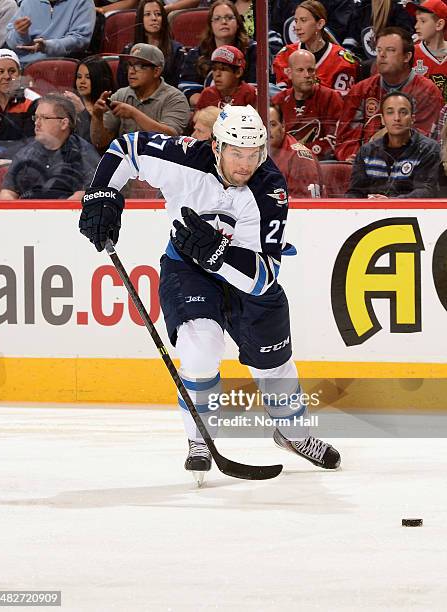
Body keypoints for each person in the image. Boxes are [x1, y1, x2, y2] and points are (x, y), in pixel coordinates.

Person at [78, 104, 341, 482]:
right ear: (216, 146)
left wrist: (218, 253)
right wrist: (102, 193)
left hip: (247, 280)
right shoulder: (183, 156)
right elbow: (127, 148)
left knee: (273, 365)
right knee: (200, 349)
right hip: (187, 271)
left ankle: (294, 434)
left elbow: (265, 274)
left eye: (254, 154)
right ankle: (200, 439)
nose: (244, 164)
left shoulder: (270, 190)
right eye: (236, 152)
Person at [336, 27, 444, 161]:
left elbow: (424, 142)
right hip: (363, 167)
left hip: (410, 170)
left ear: (407, 56)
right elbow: (346, 138)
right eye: (379, 50)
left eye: (390, 50)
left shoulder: (428, 92)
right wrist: (354, 157)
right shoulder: (360, 90)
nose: (381, 55)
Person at [90, 43, 191, 151]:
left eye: (140, 66)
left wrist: (134, 114)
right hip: (127, 161)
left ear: (157, 71)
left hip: (161, 162)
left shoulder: (175, 98)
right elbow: (99, 142)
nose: (131, 71)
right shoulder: (121, 95)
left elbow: (170, 138)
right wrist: (97, 117)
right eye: (129, 64)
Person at [0, 93, 100, 200]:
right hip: (27, 213)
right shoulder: (26, 153)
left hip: (65, 214)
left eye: (44, 118)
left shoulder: (83, 154)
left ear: (63, 123)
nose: (37, 123)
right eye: (36, 117)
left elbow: (85, 194)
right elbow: (8, 191)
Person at [346, 92, 440, 198]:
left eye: (403, 112)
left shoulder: (428, 149)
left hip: (411, 213)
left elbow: (426, 191)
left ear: (412, 119)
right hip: (370, 212)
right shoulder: (366, 152)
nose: (397, 118)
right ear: (382, 119)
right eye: (390, 112)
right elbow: (354, 192)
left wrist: (390, 202)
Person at [178, 1, 257, 106]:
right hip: (208, 110)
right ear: (210, 25)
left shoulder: (253, 50)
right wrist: (214, 106)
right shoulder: (196, 54)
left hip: (244, 110)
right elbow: (190, 91)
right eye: (217, 18)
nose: (224, 22)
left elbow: (256, 90)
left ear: (238, 23)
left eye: (229, 17)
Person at [272, 0, 358, 97]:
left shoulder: (341, 61)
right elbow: (282, 101)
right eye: (296, 21)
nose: (297, 27)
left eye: (303, 20)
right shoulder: (285, 55)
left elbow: (342, 105)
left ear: (320, 24)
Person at [271, 49, 344, 159]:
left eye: (311, 70)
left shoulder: (330, 97)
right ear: (289, 73)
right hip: (284, 162)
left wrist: (301, 154)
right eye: (300, 70)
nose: (307, 75)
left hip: (320, 163)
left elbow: (337, 138)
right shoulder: (279, 101)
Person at [5, 0, 96, 67]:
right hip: (22, 65)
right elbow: (11, 42)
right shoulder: (29, 2)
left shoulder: (83, 2)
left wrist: (47, 46)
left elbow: (81, 39)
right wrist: (21, 34)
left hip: (60, 65)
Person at [118, 0, 185, 88]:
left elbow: (177, 86)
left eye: (158, 14)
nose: (154, 18)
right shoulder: (128, 50)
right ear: (140, 19)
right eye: (147, 14)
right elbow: (122, 85)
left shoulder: (176, 50)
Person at [269, 104, 324, 197]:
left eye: (272, 124)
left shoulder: (299, 158)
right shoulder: (253, 152)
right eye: (260, 125)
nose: (266, 130)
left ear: (283, 126)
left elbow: (304, 207)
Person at [0, 48, 39, 156]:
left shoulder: (33, 102)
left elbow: (34, 144)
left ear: (19, 75)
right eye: (0, 71)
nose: (7, 76)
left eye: (12, 71)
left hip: (21, 162)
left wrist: (0, 155)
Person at [342, 0, 414, 67]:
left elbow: (405, 43)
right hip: (364, 67)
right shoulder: (361, 7)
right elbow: (351, 40)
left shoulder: (400, 8)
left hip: (392, 67)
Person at [63, 56, 115, 144]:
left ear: (99, 79)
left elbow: (93, 144)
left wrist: (82, 112)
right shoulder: (71, 102)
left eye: (88, 77)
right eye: (79, 77)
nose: (82, 81)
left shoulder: (108, 109)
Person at [406, 0, 447, 103]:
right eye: (416, 20)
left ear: (439, 24)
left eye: (423, 21)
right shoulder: (410, 54)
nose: (416, 26)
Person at [196, 45, 256, 110]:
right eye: (214, 69)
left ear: (238, 72)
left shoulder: (250, 93)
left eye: (223, 69)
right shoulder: (207, 94)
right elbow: (197, 118)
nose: (217, 74)